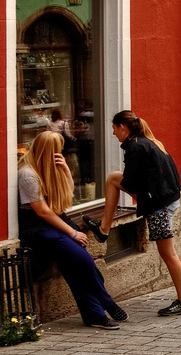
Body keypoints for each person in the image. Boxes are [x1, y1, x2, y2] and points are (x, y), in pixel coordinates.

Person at [83, 111, 181, 316]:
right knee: (114, 178)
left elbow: (131, 182)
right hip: (166, 199)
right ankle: (104, 229)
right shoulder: (147, 141)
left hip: (160, 204)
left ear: (122, 127)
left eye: (114, 128)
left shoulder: (135, 146)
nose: (113, 133)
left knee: (168, 253)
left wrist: (141, 193)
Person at [18, 132, 125, 330]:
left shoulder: (51, 167)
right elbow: (42, 211)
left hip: (54, 221)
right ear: (47, 151)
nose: (60, 154)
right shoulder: (28, 174)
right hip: (37, 227)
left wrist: (66, 170)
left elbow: (66, 200)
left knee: (78, 268)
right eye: (57, 150)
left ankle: (95, 315)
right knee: (83, 261)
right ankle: (107, 302)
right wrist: (72, 232)